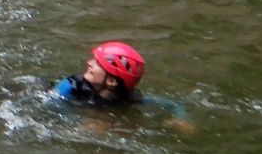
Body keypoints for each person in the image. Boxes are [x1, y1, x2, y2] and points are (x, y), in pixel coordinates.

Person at [49, 41, 191, 123]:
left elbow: (174, 105)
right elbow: (51, 104)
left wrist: (182, 119)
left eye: (98, 63)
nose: (89, 62)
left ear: (111, 81)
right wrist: (85, 119)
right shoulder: (72, 85)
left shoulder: (129, 99)